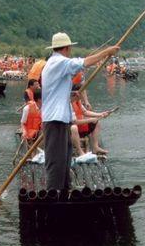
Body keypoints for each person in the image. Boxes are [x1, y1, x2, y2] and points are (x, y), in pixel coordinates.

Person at [41, 32, 119, 192]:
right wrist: (107, 52)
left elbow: (54, 93)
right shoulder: (58, 62)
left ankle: (64, 189)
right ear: (67, 48)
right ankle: (53, 195)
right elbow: (85, 62)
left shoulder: (56, 63)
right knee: (56, 161)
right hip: (54, 120)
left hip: (61, 119)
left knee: (65, 158)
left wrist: (70, 96)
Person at [70, 86, 111, 156]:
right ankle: (79, 151)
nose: (83, 96)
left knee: (96, 122)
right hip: (69, 130)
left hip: (80, 128)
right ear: (75, 94)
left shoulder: (78, 101)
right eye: (81, 93)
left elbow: (85, 112)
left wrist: (100, 114)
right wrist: (90, 120)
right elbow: (74, 122)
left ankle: (95, 147)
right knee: (74, 127)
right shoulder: (68, 103)